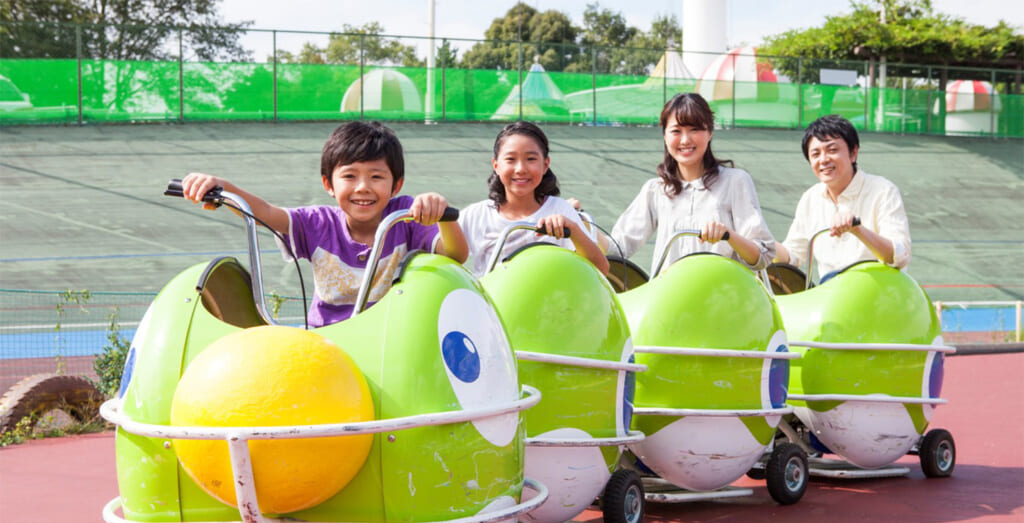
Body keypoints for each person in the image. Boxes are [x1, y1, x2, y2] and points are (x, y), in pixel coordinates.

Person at [181, 120, 468, 326]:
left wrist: (441, 215)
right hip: (329, 344)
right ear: (328, 183)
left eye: (377, 177)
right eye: (350, 176)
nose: (363, 187)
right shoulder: (317, 223)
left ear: (396, 184)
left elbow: (455, 254)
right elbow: (266, 213)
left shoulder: (405, 215)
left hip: (388, 340)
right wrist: (224, 187)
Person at [611, 92, 775, 275]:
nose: (685, 140)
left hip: (723, 297)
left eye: (695, 129)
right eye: (676, 131)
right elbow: (616, 247)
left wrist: (728, 235)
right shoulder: (656, 190)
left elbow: (763, 255)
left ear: (710, 133)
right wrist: (583, 224)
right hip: (671, 298)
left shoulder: (735, 181)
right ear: (664, 136)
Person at [460, 121, 609, 278]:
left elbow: (600, 269)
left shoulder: (560, 210)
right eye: (511, 159)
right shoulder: (476, 215)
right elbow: (445, 252)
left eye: (530, 159)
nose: (521, 169)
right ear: (496, 165)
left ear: (545, 165)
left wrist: (573, 230)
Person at [774, 115, 911, 281]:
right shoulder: (810, 198)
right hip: (833, 298)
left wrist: (857, 229)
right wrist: (762, 244)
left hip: (879, 296)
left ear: (853, 153)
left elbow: (900, 255)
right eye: (815, 154)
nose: (823, 160)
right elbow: (792, 255)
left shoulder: (883, 191)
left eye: (832, 150)